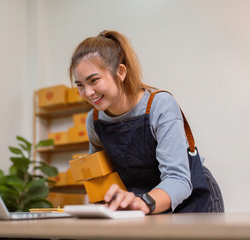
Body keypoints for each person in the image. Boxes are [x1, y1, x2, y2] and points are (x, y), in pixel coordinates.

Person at [69, 30, 224, 214]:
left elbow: (178, 180)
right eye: (80, 85)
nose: (87, 93)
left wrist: (142, 203)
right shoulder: (94, 120)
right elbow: (100, 177)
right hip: (145, 204)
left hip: (192, 199)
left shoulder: (159, 105)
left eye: (94, 80)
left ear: (120, 72)